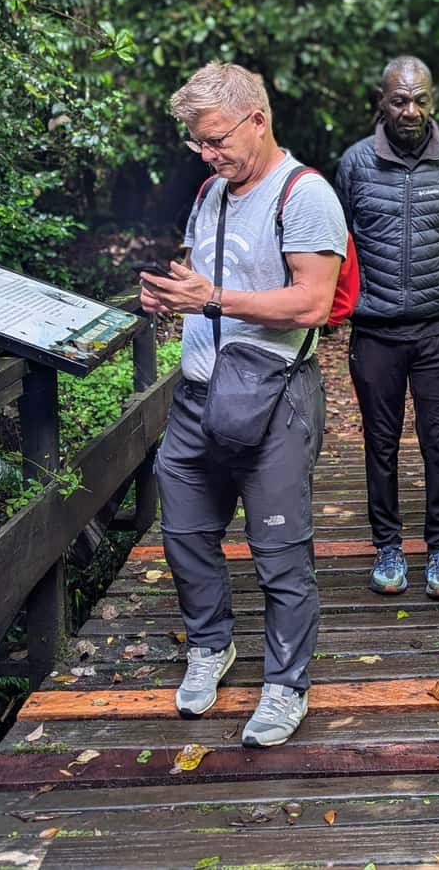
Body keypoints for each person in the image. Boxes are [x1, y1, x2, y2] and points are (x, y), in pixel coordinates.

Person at [138, 62, 346, 747]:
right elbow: (203, 276)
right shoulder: (212, 191)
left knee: (279, 551)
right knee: (184, 533)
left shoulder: (305, 195)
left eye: (216, 139)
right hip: (197, 395)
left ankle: (286, 685)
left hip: (274, 396)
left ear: (257, 120)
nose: (206, 153)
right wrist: (171, 296)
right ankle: (210, 645)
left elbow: (313, 302)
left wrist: (213, 300)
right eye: (198, 142)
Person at [335, 55, 439, 600]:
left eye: (420, 100)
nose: (410, 111)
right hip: (375, 332)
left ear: (433, 102)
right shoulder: (355, 163)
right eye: (399, 100)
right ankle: (388, 547)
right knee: (381, 444)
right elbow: (340, 240)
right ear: (382, 102)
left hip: (438, 329)